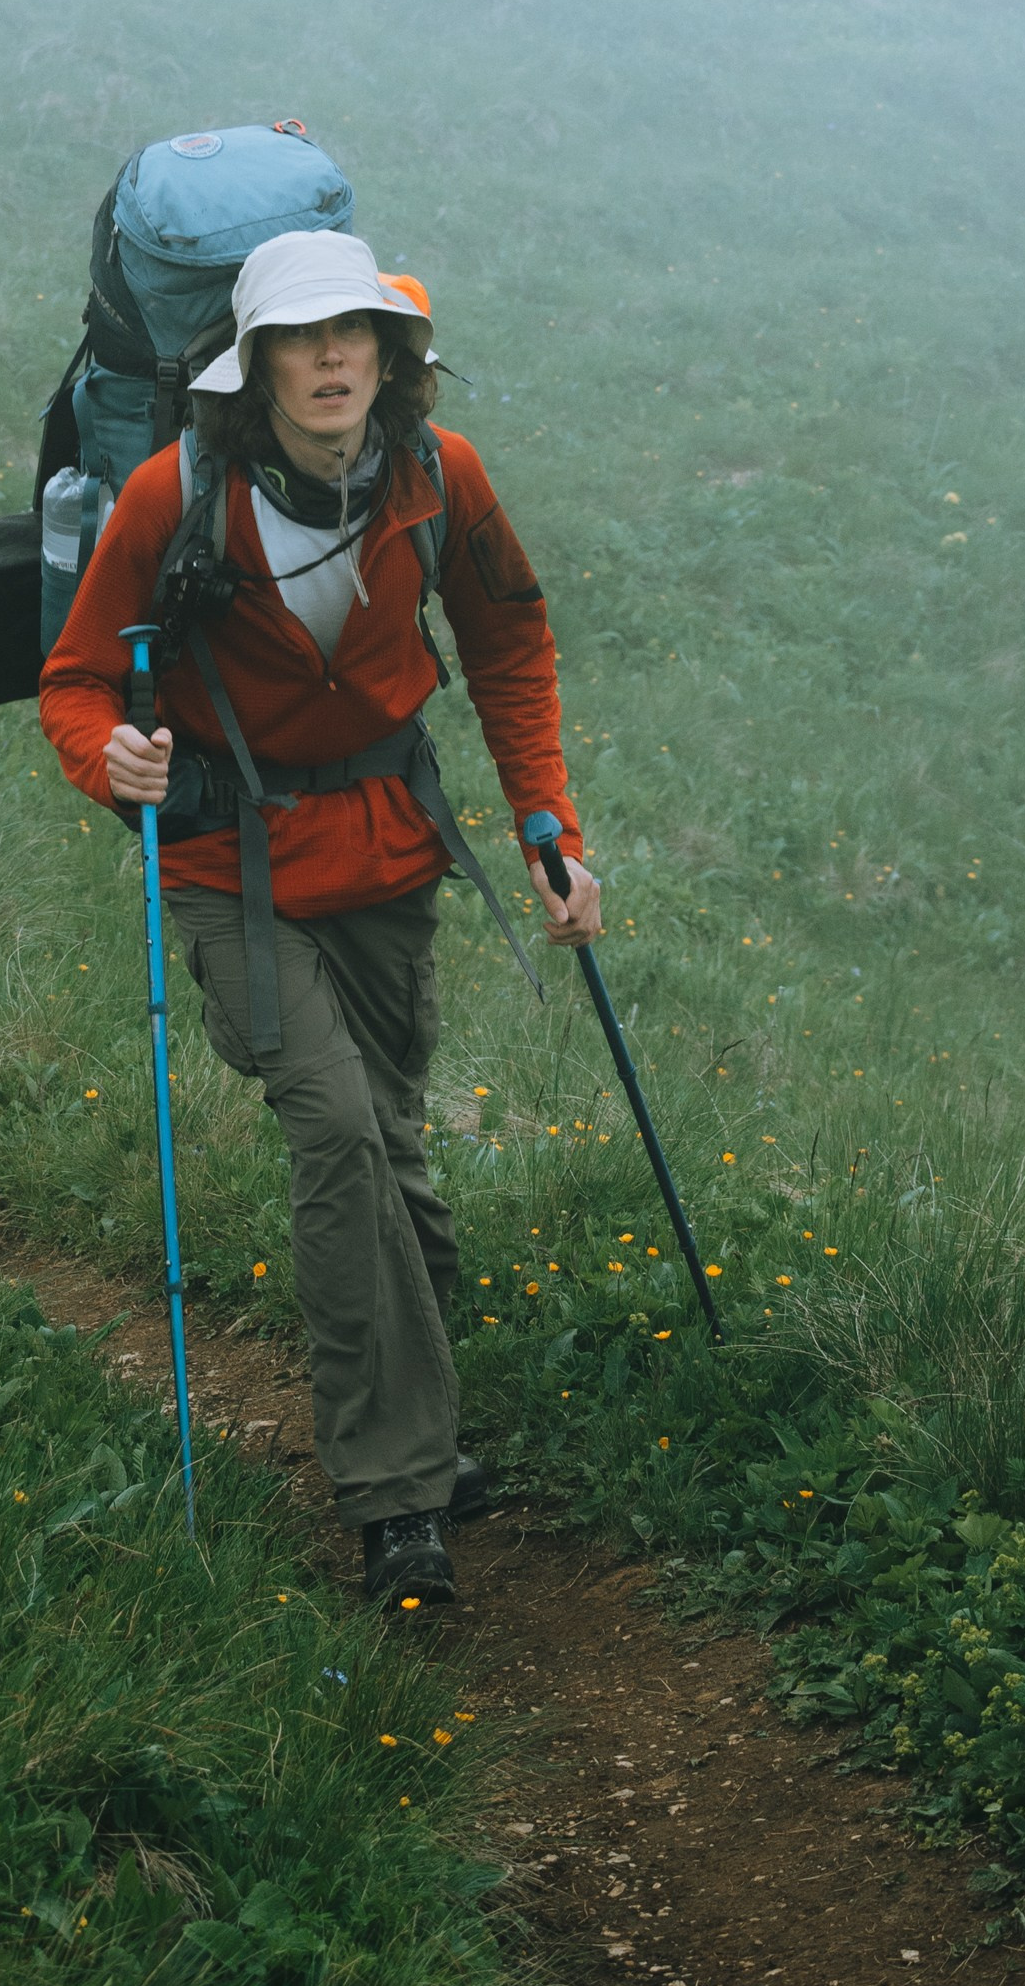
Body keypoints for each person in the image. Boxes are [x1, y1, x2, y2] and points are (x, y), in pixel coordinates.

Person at [38, 228, 603, 1606]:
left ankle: (414, 1416)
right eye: (302, 336)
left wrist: (548, 828)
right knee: (339, 1134)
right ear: (258, 366)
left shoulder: (437, 477)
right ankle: (397, 1495)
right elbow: (74, 679)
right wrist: (107, 758)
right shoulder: (175, 494)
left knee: (392, 1150)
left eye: (355, 332)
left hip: (388, 854)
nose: (332, 356)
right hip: (234, 867)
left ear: (391, 353)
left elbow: (508, 644)